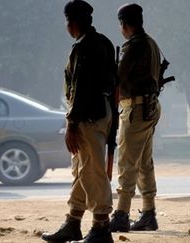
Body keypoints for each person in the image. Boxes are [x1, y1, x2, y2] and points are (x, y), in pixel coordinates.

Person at [41, 1, 116, 242]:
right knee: (82, 170)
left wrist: (72, 124)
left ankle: (101, 227)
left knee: (92, 172)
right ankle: (73, 221)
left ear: (71, 23)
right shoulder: (103, 42)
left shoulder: (84, 47)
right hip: (102, 112)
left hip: (87, 116)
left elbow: (81, 87)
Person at [109, 3, 161, 232]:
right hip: (150, 107)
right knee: (144, 163)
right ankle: (148, 213)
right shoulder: (151, 43)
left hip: (136, 109)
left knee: (128, 163)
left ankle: (121, 214)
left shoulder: (132, 46)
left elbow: (117, 78)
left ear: (123, 24)